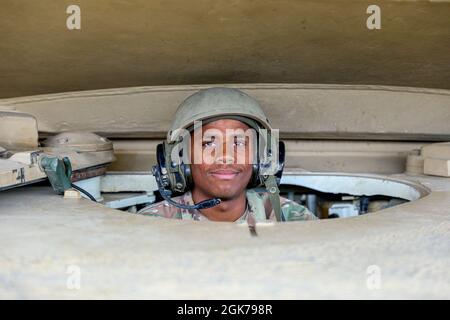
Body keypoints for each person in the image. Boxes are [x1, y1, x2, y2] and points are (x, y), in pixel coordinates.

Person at [138, 87, 317, 224]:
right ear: (180, 160)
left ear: (262, 158)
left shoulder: (291, 218)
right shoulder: (152, 224)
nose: (226, 156)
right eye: (208, 143)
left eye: (239, 143)